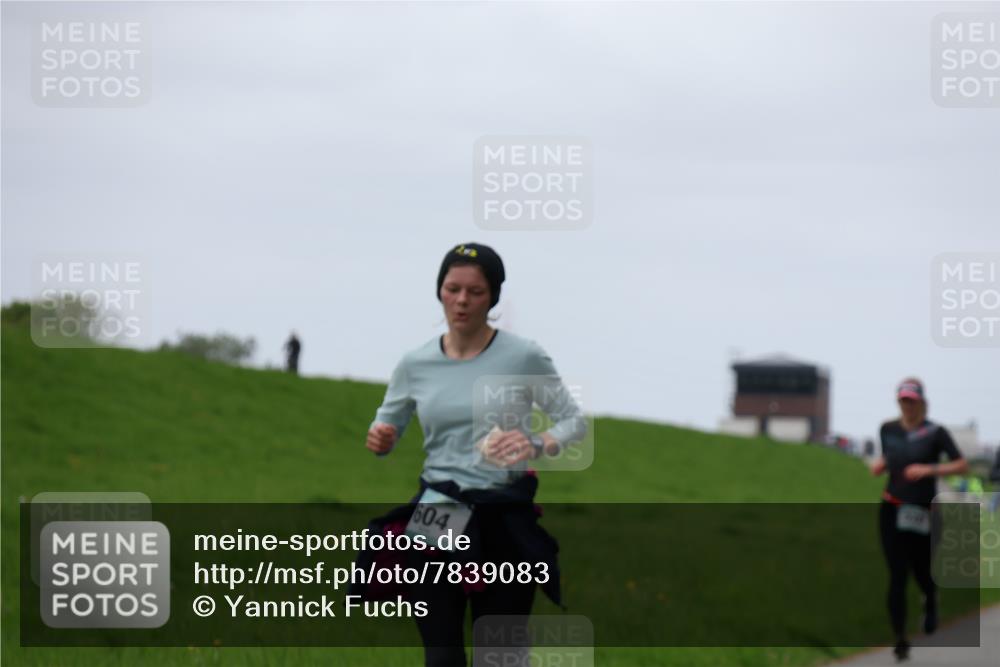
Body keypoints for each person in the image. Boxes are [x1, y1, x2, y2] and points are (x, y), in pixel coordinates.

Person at [359, 242, 586, 667]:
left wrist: (535, 443)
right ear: (440, 291)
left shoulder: (522, 357)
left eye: (475, 292)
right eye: (452, 288)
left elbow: (574, 423)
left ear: (493, 297)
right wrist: (381, 439)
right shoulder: (416, 363)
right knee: (441, 656)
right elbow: (386, 425)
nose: (461, 300)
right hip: (438, 510)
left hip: (503, 512)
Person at [868, 378, 968, 662]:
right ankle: (900, 638)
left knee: (922, 571)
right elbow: (892, 455)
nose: (907, 405)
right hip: (891, 507)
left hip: (924, 510)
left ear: (921, 402)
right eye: (903, 400)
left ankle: (930, 598)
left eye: (912, 400)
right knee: (897, 575)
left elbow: (961, 464)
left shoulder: (935, 432)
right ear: (898, 401)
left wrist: (928, 469)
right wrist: (882, 464)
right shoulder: (887, 429)